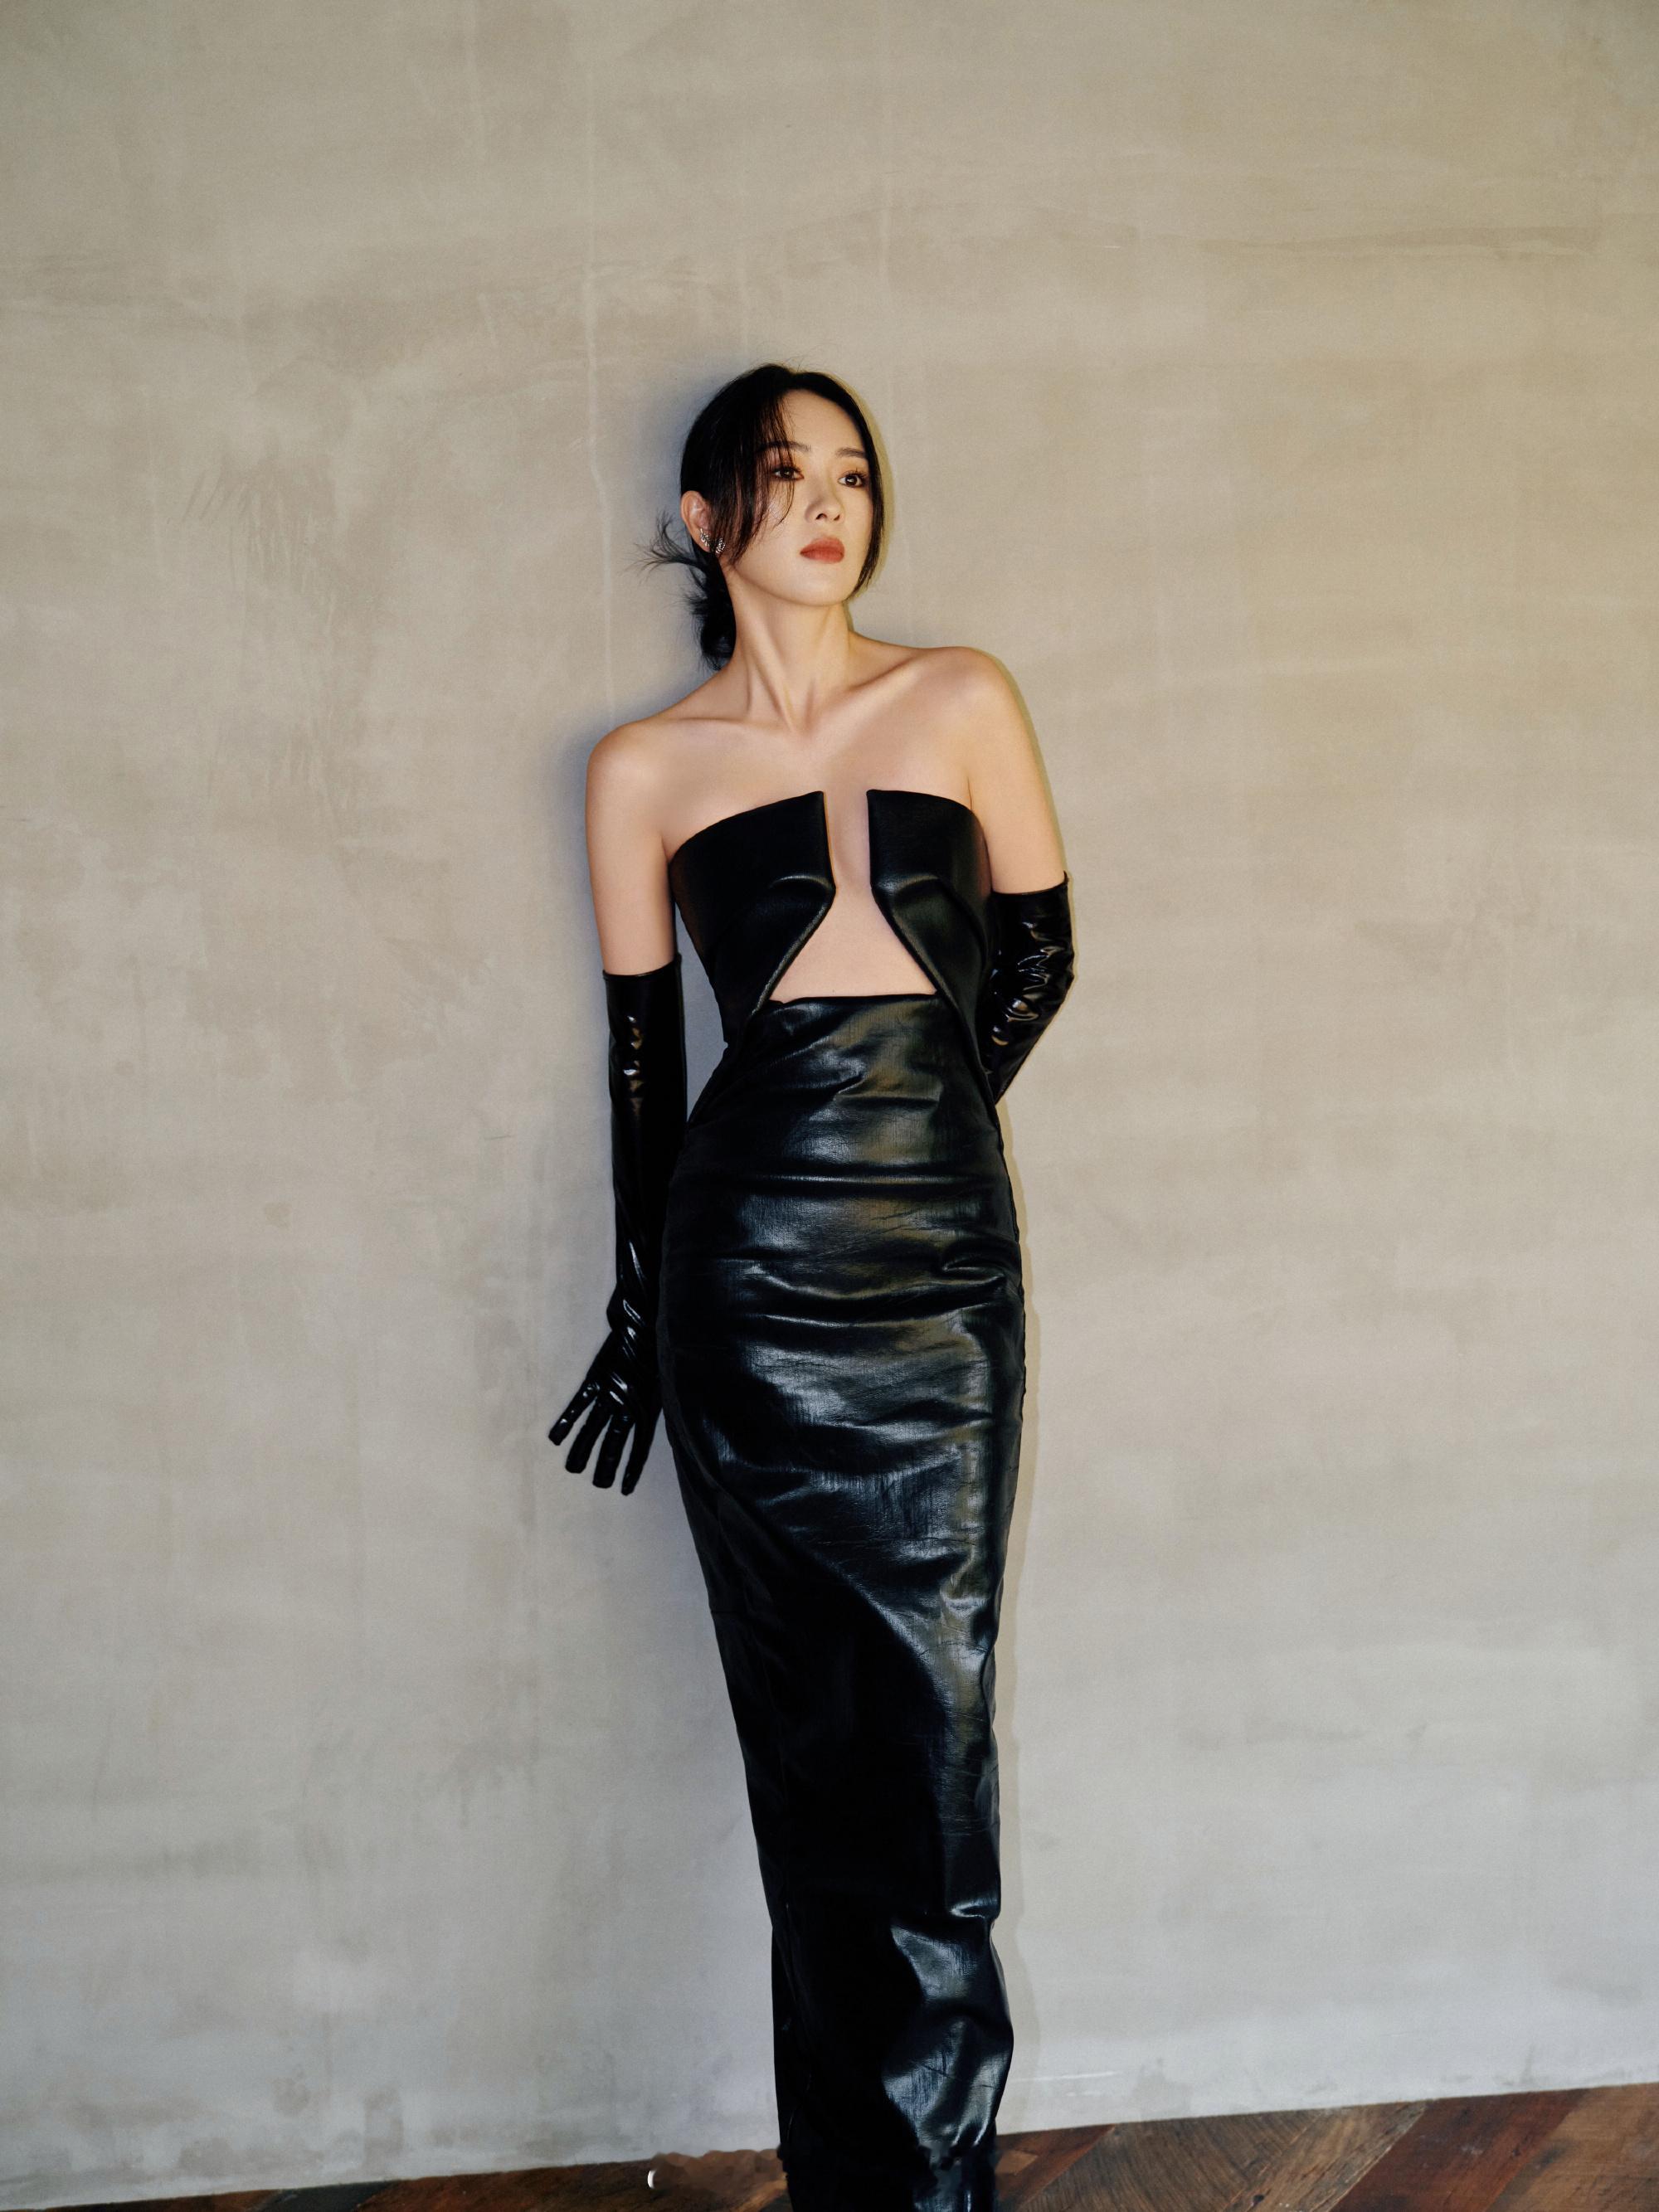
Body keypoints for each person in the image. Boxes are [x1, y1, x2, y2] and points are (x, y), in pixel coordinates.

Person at [550, 362, 1075, 2212]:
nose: (831, 504)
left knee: (930, 1764)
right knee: (813, 1770)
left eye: (851, 471)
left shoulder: (962, 696)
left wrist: (913, 1122)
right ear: (708, 521)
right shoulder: (643, 769)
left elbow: (1040, 955)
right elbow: (643, 1072)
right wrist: (641, 1311)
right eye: (786, 475)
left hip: (938, 1275)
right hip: (748, 1283)